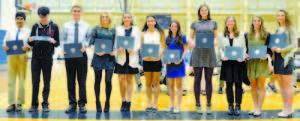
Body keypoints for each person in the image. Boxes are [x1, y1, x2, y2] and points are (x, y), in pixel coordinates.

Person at [28, 6, 60, 112]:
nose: (43, 19)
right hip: (36, 58)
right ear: (39, 16)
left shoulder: (54, 27)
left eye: (45, 16)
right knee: (35, 81)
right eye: (41, 17)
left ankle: (45, 103)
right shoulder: (35, 26)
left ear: (48, 15)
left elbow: (58, 43)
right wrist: (30, 40)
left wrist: (53, 41)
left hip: (47, 58)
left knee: (47, 81)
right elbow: (31, 43)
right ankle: (34, 104)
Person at [189, 4, 218, 114]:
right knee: (197, 79)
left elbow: (215, 37)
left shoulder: (213, 23)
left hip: (209, 52)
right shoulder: (194, 24)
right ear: (199, 12)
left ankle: (209, 104)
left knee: (209, 79)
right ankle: (198, 104)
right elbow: (191, 38)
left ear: (208, 11)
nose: (204, 11)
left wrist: (215, 41)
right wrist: (191, 43)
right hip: (197, 52)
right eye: (202, 10)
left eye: (205, 10)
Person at [62, 5, 90, 113]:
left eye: (78, 11)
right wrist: (63, 49)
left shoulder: (86, 26)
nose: (76, 13)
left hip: (82, 55)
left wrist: (85, 46)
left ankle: (82, 103)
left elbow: (89, 39)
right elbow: (63, 39)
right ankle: (72, 103)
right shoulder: (66, 26)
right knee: (70, 80)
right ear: (71, 12)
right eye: (75, 11)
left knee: (82, 80)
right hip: (69, 55)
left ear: (81, 12)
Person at [245, 15, 273, 117]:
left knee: (261, 86)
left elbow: (269, 49)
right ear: (252, 22)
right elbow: (245, 49)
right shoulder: (247, 35)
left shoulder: (267, 35)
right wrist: (246, 54)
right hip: (251, 63)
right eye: (255, 21)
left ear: (261, 22)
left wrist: (266, 55)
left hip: (262, 63)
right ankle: (255, 106)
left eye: (258, 21)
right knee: (253, 87)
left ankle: (259, 108)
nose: (256, 22)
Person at [219, 16, 247, 116]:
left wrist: (242, 57)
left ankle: (238, 106)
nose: (230, 23)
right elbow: (220, 49)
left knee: (238, 85)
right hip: (227, 62)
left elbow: (244, 48)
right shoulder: (222, 35)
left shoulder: (241, 34)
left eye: (232, 21)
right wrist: (223, 56)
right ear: (226, 23)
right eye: (228, 21)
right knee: (228, 85)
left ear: (235, 23)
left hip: (238, 62)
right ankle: (230, 106)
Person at [3, 12, 30, 112]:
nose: (19, 20)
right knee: (11, 81)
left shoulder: (28, 31)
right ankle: (11, 103)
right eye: (17, 18)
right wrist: (4, 47)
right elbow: (5, 43)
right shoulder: (10, 30)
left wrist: (27, 48)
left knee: (22, 80)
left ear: (24, 20)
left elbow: (30, 45)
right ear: (15, 19)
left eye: (21, 19)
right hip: (11, 57)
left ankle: (19, 103)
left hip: (23, 57)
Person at [272, 9, 297, 118]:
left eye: (282, 15)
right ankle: (285, 108)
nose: (280, 17)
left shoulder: (291, 29)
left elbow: (294, 45)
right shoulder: (277, 30)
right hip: (277, 58)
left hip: (286, 58)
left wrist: (282, 50)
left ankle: (289, 109)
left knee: (288, 85)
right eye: (278, 15)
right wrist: (273, 47)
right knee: (281, 85)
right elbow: (275, 43)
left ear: (286, 17)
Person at [115, 12, 141, 112]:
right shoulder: (118, 29)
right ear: (123, 19)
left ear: (131, 19)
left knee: (130, 79)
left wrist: (133, 49)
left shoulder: (136, 29)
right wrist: (118, 48)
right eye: (125, 17)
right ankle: (123, 100)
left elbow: (138, 43)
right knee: (121, 79)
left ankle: (129, 101)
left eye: (129, 17)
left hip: (132, 57)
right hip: (121, 58)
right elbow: (116, 42)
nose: (127, 19)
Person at [90, 12, 115, 113]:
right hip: (98, 57)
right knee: (97, 80)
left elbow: (116, 43)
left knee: (108, 81)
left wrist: (114, 51)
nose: (105, 18)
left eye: (106, 17)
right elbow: (91, 43)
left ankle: (107, 102)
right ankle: (97, 101)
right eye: (103, 17)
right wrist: (96, 51)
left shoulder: (113, 30)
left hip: (109, 58)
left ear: (109, 18)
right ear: (101, 18)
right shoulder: (96, 29)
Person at [141, 15, 165, 112]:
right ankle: (149, 103)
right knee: (148, 83)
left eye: (152, 21)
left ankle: (155, 104)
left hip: (156, 61)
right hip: (146, 61)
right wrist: (144, 55)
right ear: (147, 23)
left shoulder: (160, 33)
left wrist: (158, 54)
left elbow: (163, 46)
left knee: (156, 83)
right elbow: (142, 47)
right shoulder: (143, 34)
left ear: (155, 22)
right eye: (148, 21)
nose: (150, 23)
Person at [165, 21, 187, 113]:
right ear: (170, 28)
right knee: (170, 86)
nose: (174, 28)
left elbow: (185, 50)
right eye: (172, 26)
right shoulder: (167, 38)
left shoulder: (183, 37)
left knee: (179, 87)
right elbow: (166, 50)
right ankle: (171, 105)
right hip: (170, 65)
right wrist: (167, 59)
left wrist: (181, 59)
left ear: (178, 28)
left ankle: (178, 106)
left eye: (175, 26)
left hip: (179, 64)